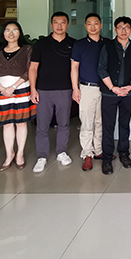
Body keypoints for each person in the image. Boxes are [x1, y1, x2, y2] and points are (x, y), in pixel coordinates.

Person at [30, 12, 76, 173]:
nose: (59, 25)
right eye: (56, 22)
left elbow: (76, 68)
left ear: (67, 25)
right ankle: (42, 156)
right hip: (43, 90)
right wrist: (33, 89)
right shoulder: (41, 44)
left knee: (63, 123)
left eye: (63, 22)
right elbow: (33, 68)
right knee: (42, 125)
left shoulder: (73, 44)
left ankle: (61, 152)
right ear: (51, 25)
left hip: (65, 89)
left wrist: (75, 88)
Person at [0, 22, 35, 172]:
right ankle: (9, 154)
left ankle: (20, 154)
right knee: (6, 124)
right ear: (3, 33)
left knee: (21, 123)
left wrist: (13, 87)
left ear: (20, 33)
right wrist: (3, 89)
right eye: (8, 30)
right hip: (1, 91)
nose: (11, 33)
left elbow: (29, 70)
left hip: (21, 89)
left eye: (15, 30)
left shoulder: (27, 49)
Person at [98, 16, 131, 175]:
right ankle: (107, 158)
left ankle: (124, 153)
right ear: (115, 29)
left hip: (128, 93)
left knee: (124, 125)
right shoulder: (107, 46)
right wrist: (113, 88)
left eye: (126, 27)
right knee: (108, 126)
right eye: (120, 27)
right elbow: (101, 69)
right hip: (109, 94)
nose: (123, 30)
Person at [71, 13, 106, 172]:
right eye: (89, 23)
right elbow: (74, 68)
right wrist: (75, 88)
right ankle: (87, 154)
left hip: (105, 88)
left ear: (101, 25)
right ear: (85, 26)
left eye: (96, 23)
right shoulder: (79, 45)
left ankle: (98, 150)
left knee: (100, 121)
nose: (93, 26)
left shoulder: (107, 43)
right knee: (86, 123)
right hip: (87, 88)